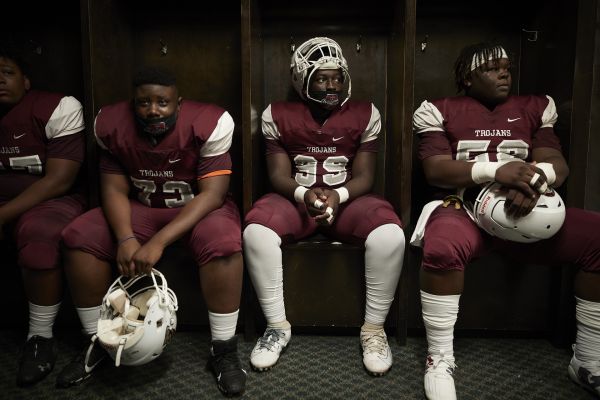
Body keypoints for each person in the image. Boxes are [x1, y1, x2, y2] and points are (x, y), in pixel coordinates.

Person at [411, 42, 600, 400]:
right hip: (466, 207)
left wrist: (535, 179)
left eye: (507, 67)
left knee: (597, 237)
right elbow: (435, 170)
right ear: (467, 78)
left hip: (526, 208)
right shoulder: (440, 109)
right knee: (442, 243)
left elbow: (556, 162)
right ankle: (439, 358)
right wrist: (497, 171)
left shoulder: (534, 107)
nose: (503, 73)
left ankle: (588, 360)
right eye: (492, 68)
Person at [58, 66, 246, 396]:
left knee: (224, 241)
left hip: (197, 209)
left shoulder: (208, 122)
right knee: (79, 236)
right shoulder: (113, 124)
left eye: (162, 102)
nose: (153, 110)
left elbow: (213, 195)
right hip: (142, 206)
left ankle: (224, 349)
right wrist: (126, 238)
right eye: (144, 102)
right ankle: (98, 342)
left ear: (179, 102)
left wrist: (157, 242)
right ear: (133, 104)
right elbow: (114, 190)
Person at [243, 37, 405, 376]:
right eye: (321, 78)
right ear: (301, 80)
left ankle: (374, 330)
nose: (331, 85)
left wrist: (338, 196)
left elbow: (365, 176)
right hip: (296, 199)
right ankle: (276, 326)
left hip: (347, 199)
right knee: (256, 230)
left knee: (390, 234)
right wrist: (305, 195)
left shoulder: (364, 113)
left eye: (336, 77)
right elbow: (277, 174)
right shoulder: (278, 114)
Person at [0, 43, 86, 386]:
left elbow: (59, 180)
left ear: (26, 81)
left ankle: (40, 337)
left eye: (6, 73)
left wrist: (3, 214)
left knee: (40, 233)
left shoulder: (55, 107)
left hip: (50, 200)